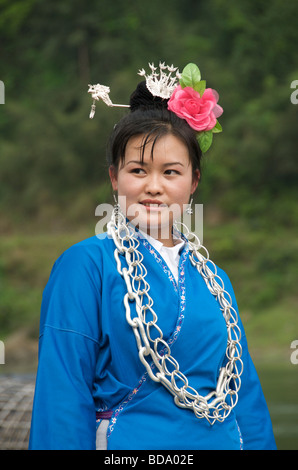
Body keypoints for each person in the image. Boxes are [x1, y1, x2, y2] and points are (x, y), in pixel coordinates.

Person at [29, 62, 276, 450]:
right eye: (138, 170)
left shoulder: (216, 280)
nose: (154, 187)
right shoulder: (86, 267)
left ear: (193, 181)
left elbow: (245, 401)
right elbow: (63, 396)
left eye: (171, 172)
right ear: (115, 178)